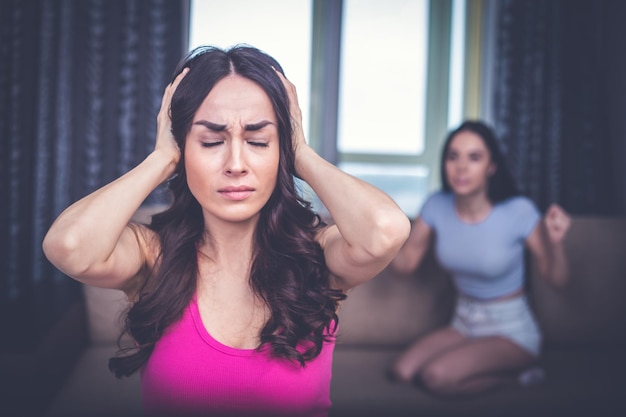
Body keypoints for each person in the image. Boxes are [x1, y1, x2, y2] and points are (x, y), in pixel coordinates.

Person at [42, 45, 410, 417]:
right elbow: (68, 245)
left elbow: (386, 230)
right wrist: (160, 158)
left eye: (258, 141)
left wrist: (301, 152)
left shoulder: (317, 256)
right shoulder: (152, 257)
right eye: (212, 141)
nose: (236, 164)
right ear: (183, 147)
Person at [388, 120, 571, 397]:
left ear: (491, 167)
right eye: (453, 156)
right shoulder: (436, 205)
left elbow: (557, 280)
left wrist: (556, 244)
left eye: (474, 157)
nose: (461, 167)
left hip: (511, 330)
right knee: (401, 372)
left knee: (435, 377)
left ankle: (519, 378)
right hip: (463, 322)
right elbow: (406, 265)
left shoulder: (518, 211)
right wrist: (382, 238)